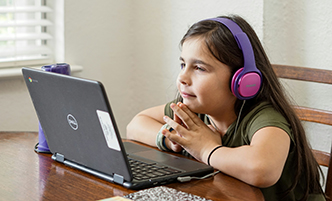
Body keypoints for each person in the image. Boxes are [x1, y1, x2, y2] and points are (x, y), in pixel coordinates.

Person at [126, 14, 325, 200]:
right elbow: (135, 125)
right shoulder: (193, 109)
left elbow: (262, 170)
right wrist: (172, 140)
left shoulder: (263, 117)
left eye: (199, 68)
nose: (182, 78)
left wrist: (206, 149)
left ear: (242, 81)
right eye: (182, 65)